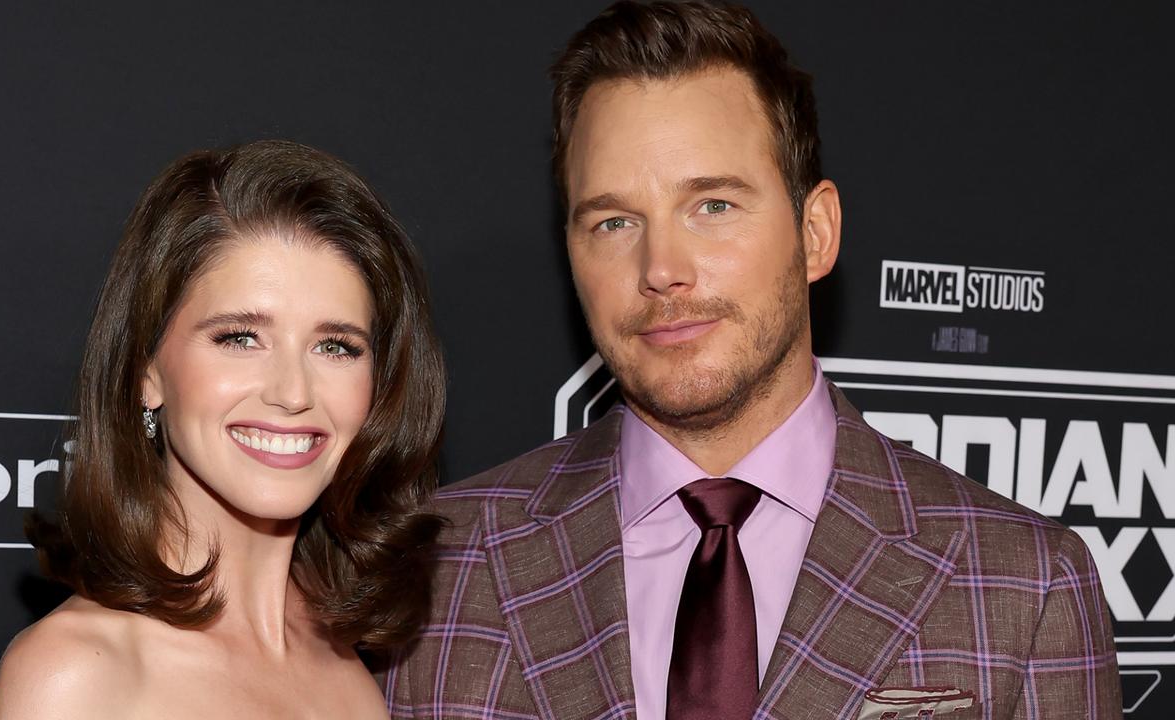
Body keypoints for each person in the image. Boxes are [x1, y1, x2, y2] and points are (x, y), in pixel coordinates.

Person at [384, 2, 1121, 718]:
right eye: (613, 221)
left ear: (816, 232)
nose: (661, 268)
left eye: (713, 206)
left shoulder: (1023, 582)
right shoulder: (438, 569)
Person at [0, 140, 445, 719]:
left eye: (335, 346)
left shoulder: (348, 663)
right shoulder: (79, 674)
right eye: (239, 337)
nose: (293, 392)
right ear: (146, 372)